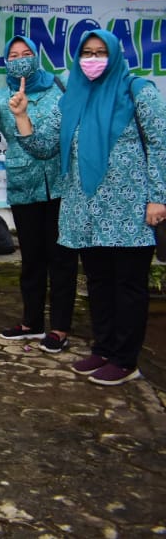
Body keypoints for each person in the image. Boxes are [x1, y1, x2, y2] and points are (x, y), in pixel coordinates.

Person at [14, 29, 166, 386]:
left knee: (128, 284)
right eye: (87, 53)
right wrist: (22, 116)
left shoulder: (138, 91)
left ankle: (126, 360)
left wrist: (158, 197)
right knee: (98, 281)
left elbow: (161, 144)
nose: (93, 59)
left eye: (100, 52)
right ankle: (104, 349)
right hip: (86, 209)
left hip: (129, 208)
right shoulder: (72, 99)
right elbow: (44, 145)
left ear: (113, 56)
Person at [0, 37, 73, 351]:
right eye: (13, 55)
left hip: (61, 185)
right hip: (24, 187)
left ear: (37, 58)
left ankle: (61, 328)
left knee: (62, 259)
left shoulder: (59, 90)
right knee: (33, 258)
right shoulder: (0, 98)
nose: (20, 58)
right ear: (6, 63)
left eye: (26, 53)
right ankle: (32, 322)